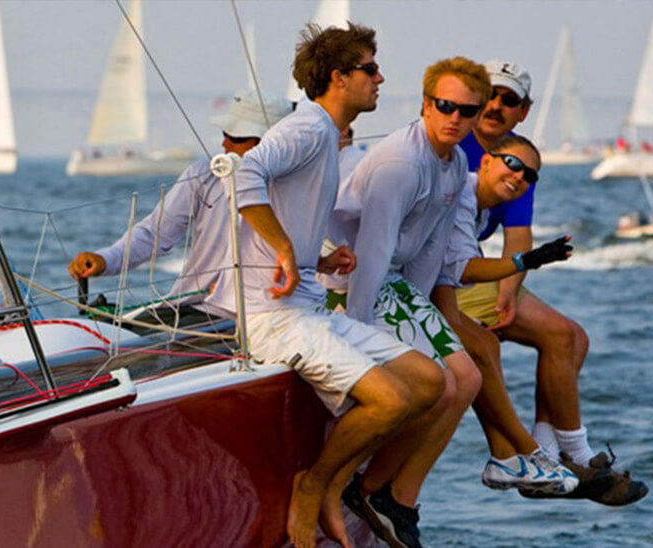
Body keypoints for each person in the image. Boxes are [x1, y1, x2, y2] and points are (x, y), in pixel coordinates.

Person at [227, 24, 444, 548]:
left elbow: (287, 202)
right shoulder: (308, 129)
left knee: (430, 382)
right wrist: (282, 247)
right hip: (273, 315)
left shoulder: (323, 135)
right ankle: (315, 486)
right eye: (370, 68)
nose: (380, 78)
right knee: (390, 402)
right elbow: (243, 174)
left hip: (308, 307)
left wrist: (321, 254)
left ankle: (338, 483)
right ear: (338, 78)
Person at [455, 60, 646, 505]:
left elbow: (518, 239)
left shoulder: (520, 160)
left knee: (574, 339)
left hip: (472, 273)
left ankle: (546, 454)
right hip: (441, 277)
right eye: (491, 95)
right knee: (563, 336)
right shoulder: (452, 144)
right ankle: (566, 456)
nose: (497, 106)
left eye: (510, 100)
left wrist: (507, 291)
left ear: (524, 111)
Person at [327, 57, 492, 548]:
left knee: (468, 378)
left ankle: (392, 495)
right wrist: (356, 336)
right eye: (444, 106)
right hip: (350, 279)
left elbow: (430, 249)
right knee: (438, 382)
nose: (454, 118)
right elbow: (373, 248)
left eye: (466, 111)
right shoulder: (402, 162)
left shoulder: (457, 163)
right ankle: (369, 487)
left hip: (394, 280)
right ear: (425, 104)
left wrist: (428, 317)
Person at [436, 134, 583, 495]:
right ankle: (531, 452)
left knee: (488, 347)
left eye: (529, 176)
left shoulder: (480, 206)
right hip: (390, 284)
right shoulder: (462, 193)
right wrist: (525, 261)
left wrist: (520, 268)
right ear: (485, 161)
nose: (519, 177)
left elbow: (451, 270)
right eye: (513, 165)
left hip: (430, 283)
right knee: (477, 355)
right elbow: (462, 269)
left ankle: (523, 453)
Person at [68, 88, 292, 323]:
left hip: (259, 312)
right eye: (225, 133)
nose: (224, 142)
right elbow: (155, 232)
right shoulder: (204, 175)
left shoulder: (296, 186)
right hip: (193, 306)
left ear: (269, 144)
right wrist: (106, 260)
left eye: (236, 138)